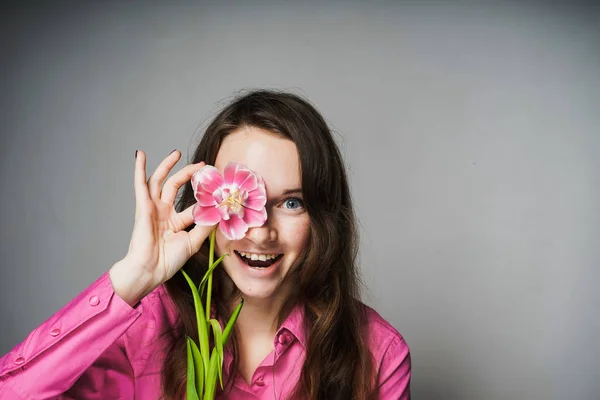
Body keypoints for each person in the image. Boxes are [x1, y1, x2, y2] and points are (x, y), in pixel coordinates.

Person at [0, 90, 411, 399]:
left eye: (291, 202)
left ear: (322, 216)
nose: (259, 230)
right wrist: (129, 280)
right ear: (204, 203)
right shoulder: (148, 328)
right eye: (239, 198)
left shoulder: (378, 353)